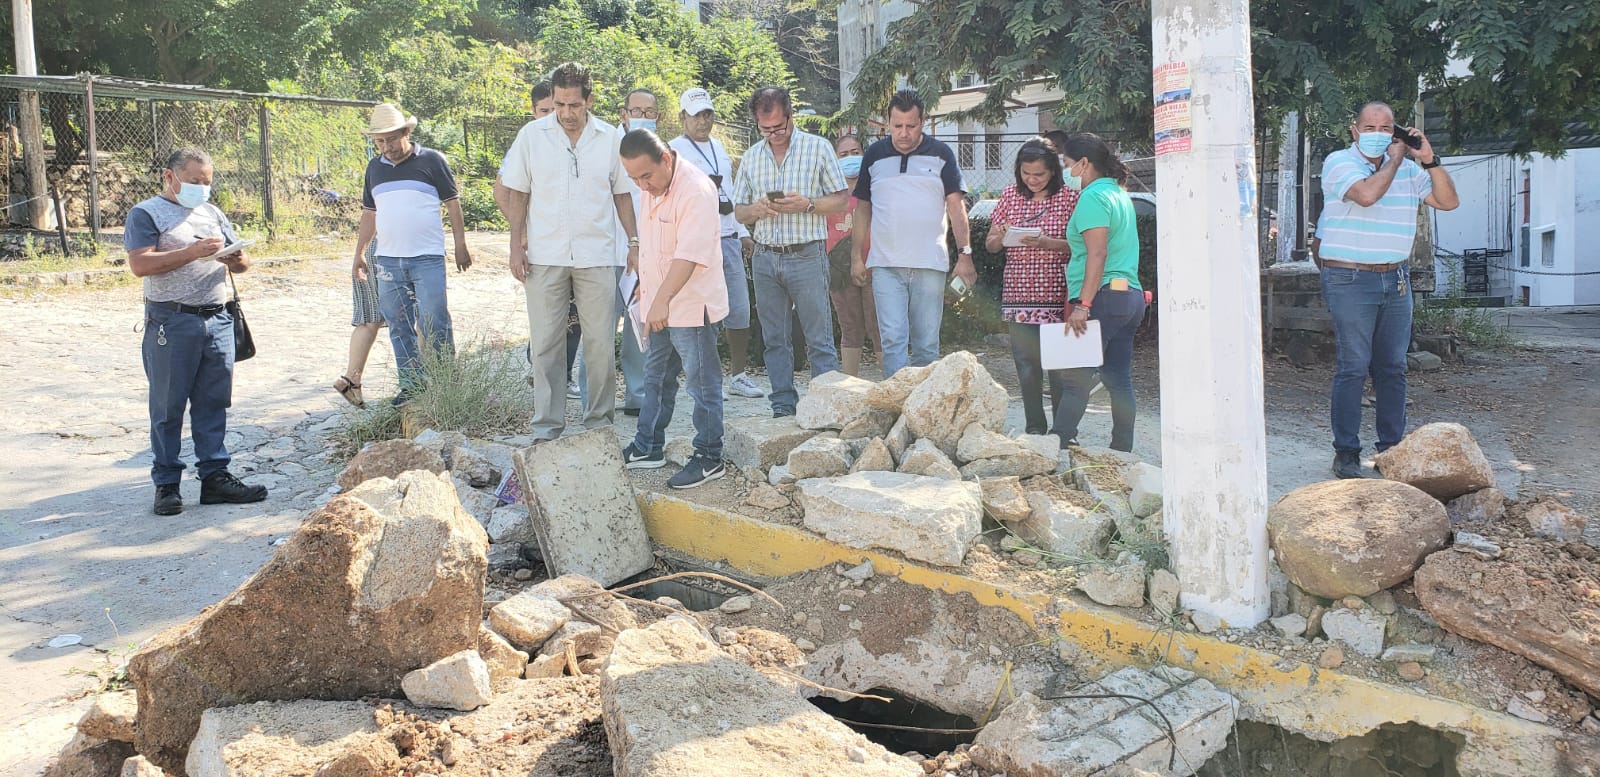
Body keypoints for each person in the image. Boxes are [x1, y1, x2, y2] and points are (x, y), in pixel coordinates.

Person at [1316, 101, 1459, 478]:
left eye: (1386, 128)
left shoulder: (1410, 171)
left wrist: (1429, 160)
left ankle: (1391, 451)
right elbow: (1366, 195)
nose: (1378, 135)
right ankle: (1347, 452)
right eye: (1370, 127)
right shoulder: (1339, 162)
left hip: (1395, 278)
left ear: (1397, 132)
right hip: (1349, 278)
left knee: (1393, 367)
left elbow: (1448, 202)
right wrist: (1395, 160)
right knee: (1353, 366)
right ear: (1355, 131)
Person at [500, 62, 638, 442]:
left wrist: (634, 242)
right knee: (546, 344)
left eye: (574, 105)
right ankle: (546, 428)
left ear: (589, 100)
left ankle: (599, 426)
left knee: (600, 344)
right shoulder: (532, 136)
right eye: (559, 104)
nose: (566, 113)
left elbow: (622, 194)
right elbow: (518, 192)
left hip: (597, 255)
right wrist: (515, 245)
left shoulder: (609, 138)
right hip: (545, 254)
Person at [126, 147, 268, 516]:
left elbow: (243, 265)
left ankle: (215, 477)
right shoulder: (146, 213)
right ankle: (167, 483)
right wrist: (192, 252)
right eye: (194, 181)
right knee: (167, 406)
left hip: (217, 317)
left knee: (213, 401)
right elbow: (140, 264)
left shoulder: (212, 213)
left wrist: (237, 258)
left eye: (207, 182)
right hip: (172, 321)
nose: (202, 189)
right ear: (169, 177)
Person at [617, 129, 729, 488]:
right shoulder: (652, 185)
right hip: (658, 305)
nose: (642, 186)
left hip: (691, 307)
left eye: (646, 176)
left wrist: (661, 300)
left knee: (701, 383)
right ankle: (647, 446)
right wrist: (646, 288)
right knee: (656, 378)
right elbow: (655, 247)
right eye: (634, 179)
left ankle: (710, 456)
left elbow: (688, 256)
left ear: (665, 159)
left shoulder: (695, 189)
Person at [732, 86, 847, 417]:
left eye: (779, 127)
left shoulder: (818, 148)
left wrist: (807, 204)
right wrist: (756, 210)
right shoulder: (752, 157)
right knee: (774, 339)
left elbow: (841, 199)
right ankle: (783, 405)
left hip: (806, 253)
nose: (773, 135)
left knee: (819, 338)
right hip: (766, 256)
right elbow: (738, 212)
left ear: (791, 116)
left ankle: (825, 408)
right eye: (765, 129)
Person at [353, 103, 472, 405]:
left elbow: (453, 203)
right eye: (380, 141)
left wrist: (460, 244)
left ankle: (446, 383)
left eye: (392, 139)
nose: (387, 147)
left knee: (434, 321)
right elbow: (369, 213)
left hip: (427, 257)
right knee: (398, 323)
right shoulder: (374, 168)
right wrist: (360, 252)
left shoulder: (431, 160)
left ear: (406, 132)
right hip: (388, 259)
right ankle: (411, 385)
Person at [850, 89, 975, 377]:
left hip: (929, 264)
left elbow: (956, 207)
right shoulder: (874, 156)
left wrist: (965, 255)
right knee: (892, 340)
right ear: (887, 123)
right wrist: (856, 256)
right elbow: (862, 209)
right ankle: (898, 400)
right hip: (885, 265)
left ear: (923, 122)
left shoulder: (942, 154)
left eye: (911, 125)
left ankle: (922, 402)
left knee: (927, 345)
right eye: (897, 126)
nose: (904, 133)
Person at [668, 87, 765, 398]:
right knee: (703, 313)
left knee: (739, 308)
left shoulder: (719, 148)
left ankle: (738, 375)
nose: (703, 121)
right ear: (683, 117)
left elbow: (730, 193)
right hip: (697, 241)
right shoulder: (673, 151)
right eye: (696, 115)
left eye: (707, 114)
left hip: (727, 237)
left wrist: (743, 231)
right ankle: (707, 379)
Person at [1052, 133, 1146, 452]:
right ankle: (1122, 450)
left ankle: (1057, 444)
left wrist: (1083, 304)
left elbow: (1097, 253)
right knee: (1118, 377)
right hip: (1129, 295)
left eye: (1067, 164)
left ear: (1083, 163)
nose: (1066, 172)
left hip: (1103, 296)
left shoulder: (1092, 198)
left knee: (1076, 377)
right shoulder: (1119, 194)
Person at [493, 80, 584, 397]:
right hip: (542, 245)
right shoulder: (528, 141)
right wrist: (522, 233)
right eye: (545, 110)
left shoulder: (577, 139)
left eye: (556, 109)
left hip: (576, 246)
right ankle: (543, 372)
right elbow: (501, 191)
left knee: (574, 313)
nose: (553, 116)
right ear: (534, 111)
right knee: (549, 312)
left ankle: (563, 375)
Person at [984, 137, 1078, 435]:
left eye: (1039, 174)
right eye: (1026, 173)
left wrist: (1048, 243)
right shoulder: (1010, 195)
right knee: (1026, 364)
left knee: (1059, 366)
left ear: (1053, 171)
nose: (1032, 180)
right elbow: (990, 244)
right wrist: (1001, 238)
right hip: (1019, 294)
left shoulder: (1069, 198)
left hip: (1057, 293)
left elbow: (1081, 245)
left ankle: (1063, 432)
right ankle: (1035, 428)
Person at [825, 133, 880, 376]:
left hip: (874, 263)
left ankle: (892, 384)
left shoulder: (876, 187)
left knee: (878, 325)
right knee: (850, 326)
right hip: (839, 268)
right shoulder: (828, 191)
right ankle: (849, 385)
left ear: (864, 154)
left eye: (855, 152)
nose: (850, 158)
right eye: (844, 154)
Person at [333, 238, 383, 407]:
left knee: (369, 319)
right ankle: (423, 382)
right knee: (421, 316)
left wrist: (359, 252)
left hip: (370, 248)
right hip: (397, 250)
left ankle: (351, 379)